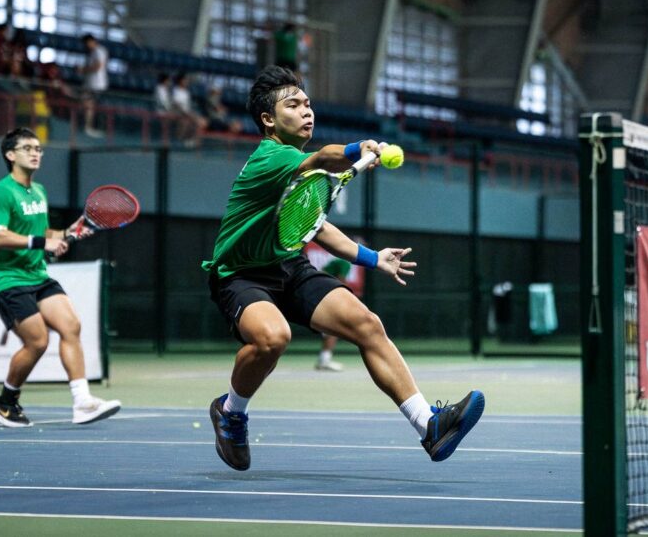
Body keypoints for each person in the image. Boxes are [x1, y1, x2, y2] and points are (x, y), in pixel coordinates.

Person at [202, 65, 485, 471]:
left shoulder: (298, 169)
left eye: (308, 104)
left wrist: (373, 258)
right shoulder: (272, 157)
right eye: (293, 105)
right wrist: (357, 150)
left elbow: (315, 225)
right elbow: (324, 156)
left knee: (366, 323)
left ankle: (430, 425)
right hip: (240, 274)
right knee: (272, 337)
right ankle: (231, 411)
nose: (306, 111)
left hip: (288, 267)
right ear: (268, 119)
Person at [0, 127, 121, 427]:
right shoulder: (1, 192)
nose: (36, 153)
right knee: (37, 341)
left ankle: (82, 402)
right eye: (27, 148)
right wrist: (40, 243)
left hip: (37, 274)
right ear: (10, 155)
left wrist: (67, 234)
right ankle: (5, 402)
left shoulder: (39, 191)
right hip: (8, 278)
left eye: (38, 149)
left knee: (71, 325)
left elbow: (41, 234)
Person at [304, 240, 366, 372]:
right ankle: (324, 360)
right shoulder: (345, 263)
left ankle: (324, 359)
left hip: (317, 291)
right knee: (333, 328)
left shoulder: (339, 262)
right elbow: (340, 282)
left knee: (332, 329)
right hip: (319, 293)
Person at [78, 34, 108, 138]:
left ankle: (89, 127)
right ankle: (87, 126)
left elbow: (98, 66)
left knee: (89, 105)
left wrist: (83, 70)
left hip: (96, 85)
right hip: (90, 84)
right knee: (87, 104)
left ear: (91, 41)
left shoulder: (99, 51)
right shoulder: (92, 52)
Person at [171, 72, 207, 144]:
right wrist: (187, 113)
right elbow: (177, 105)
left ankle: (191, 140)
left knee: (201, 121)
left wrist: (190, 113)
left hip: (186, 113)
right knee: (188, 120)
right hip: (178, 112)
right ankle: (181, 140)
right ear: (180, 81)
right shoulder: (175, 91)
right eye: (185, 80)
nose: (187, 82)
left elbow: (187, 106)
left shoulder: (186, 92)